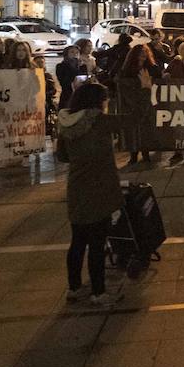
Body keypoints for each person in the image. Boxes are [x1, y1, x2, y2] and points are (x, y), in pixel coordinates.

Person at [56, 82, 122, 308]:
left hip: (76, 187)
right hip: (100, 186)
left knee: (77, 241)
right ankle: (98, 292)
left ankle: (73, 288)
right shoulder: (99, 120)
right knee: (97, 242)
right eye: (104, 99)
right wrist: (144, 89)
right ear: (98, 101)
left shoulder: (65, 122)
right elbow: (137, 118)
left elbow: (62, 156)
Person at [118, 45, 157, 169]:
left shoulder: (151, 67)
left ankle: (146, 154)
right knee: (133, 129)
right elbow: (121, 82)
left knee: (145, 128)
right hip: (131, 103)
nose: (143, 56)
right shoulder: (127, 70)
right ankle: (133, 155)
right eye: (141, 53)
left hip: (146, 102)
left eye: (145, 53)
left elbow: (158, 77)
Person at [55, 45, 87, 111]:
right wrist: (73, 67)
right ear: (66, 54)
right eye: (72, 52)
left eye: (77, 52)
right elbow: (64, 82)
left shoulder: (82, 66)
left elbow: (84, 78)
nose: (75, 54)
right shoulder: (61, 66)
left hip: (80, 96)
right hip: (67, 96)